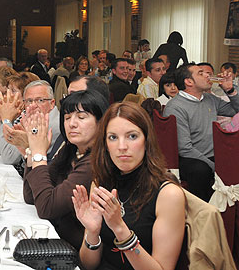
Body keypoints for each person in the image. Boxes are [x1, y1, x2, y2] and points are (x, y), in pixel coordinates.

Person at [72, 102, 185, 270]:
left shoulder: (168, 195)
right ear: (105, 145)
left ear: (147, 141)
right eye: (113, 137)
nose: (122, 147)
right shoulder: (101, 183)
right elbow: (88, 265)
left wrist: (120, 228)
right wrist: (93, 233)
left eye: (132, 136)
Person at [15, 90, 109, 250]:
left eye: (81, 117)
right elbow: (31, 196)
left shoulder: (95, 163)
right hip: (57, 240)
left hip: (77, 252)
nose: (72, 123)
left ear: (101, 123)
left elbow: (47, 207)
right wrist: (32, 152)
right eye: (67, 118)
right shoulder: (71, 150)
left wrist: (39, 153)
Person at [164, 63, 239, 201]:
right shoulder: (176, 107)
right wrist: (214, 167)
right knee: (201, 170)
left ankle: (228, 216)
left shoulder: (209, 99)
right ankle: (204, 213)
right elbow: (185, 148)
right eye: (201, 73)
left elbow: (235, 110)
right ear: (189, 81)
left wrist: (229, 90)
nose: (207, 75)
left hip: (213, 154)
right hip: (191, 157)